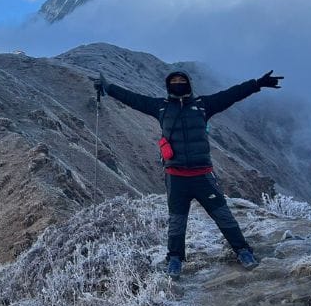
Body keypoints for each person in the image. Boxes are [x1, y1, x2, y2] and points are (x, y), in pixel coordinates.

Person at [94, 69, 283, 279]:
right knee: (177, 221)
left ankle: (243, 251)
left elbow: (232, 94)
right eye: (173, 81)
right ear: (168, 86)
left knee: (223, 216)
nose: (178, 83)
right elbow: (133, 98)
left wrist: (257, 83)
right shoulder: (161, 107)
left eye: (181, 80)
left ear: (188, 84)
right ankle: (174, 259)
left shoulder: (203, 105)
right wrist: (108, 88)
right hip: (176, 177)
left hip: (202, 175)